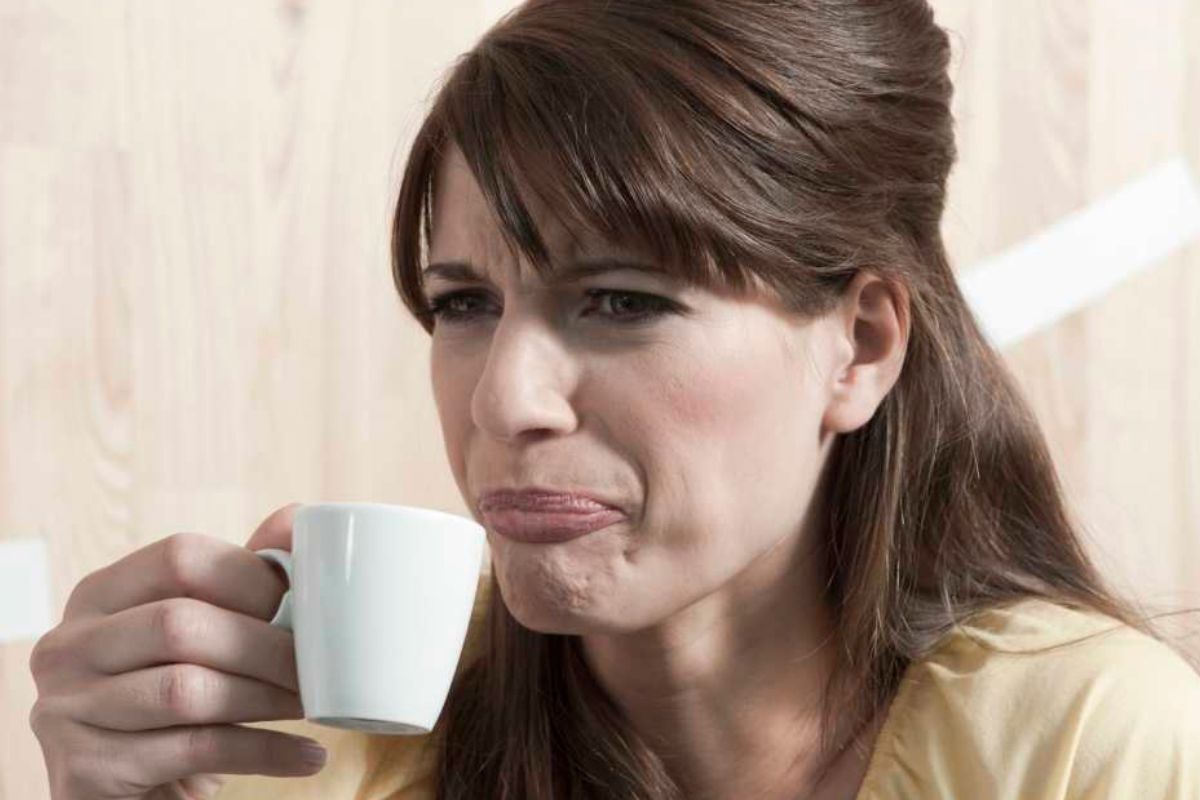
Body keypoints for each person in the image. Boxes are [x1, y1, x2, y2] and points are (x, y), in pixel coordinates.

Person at [28, 1, 1200, 798]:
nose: (506, 400)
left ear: (860, 346)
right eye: (463, 303)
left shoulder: (1087, 742)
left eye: (623, 302)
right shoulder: (322, 761)